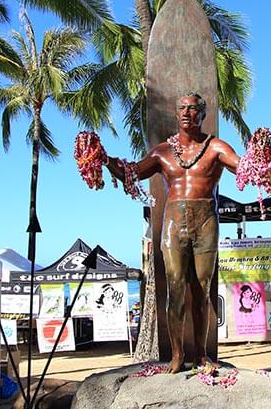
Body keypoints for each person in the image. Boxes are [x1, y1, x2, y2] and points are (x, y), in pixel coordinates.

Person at [104, 93, 242, 373]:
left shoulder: (215, 147)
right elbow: (131, 172)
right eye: (182, 108)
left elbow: (243, 166)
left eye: (193, 109)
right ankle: (178, 355)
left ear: (202, 114)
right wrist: (105, 159)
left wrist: (260, 161)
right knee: (176, 288)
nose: (186, 113)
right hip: (174, 222)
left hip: (206, 220)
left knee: (201, 290)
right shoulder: (162, 152)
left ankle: (201, 355)